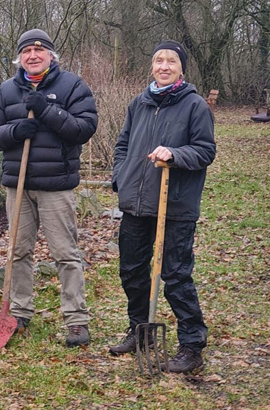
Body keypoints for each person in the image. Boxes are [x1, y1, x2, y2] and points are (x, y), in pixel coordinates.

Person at [0, 29, 98, 347]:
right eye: (26, 51)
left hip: (56, 185)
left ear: (50, 55)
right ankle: (19, 312)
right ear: (19, 58)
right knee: (18, 253)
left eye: (39, 50)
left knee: (65, 253)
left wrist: (47, 110)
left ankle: (76, 320)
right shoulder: (7, 91)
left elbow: (85, 128)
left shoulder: (72, 86)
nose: (33, 56)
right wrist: (16, 129)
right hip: (17, 185)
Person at [108, 40, 215, 373]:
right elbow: (122, 145)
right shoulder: (138, 104)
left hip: (175, 205)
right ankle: (140, 331)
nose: (164, 66)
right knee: (132, 272)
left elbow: (205, 150)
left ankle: (192, 344)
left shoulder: (195, 106)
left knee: (176, 275)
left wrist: (175, 154)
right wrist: (120, 177)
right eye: (158, 61)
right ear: (152, 66)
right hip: (137, 203)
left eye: (171, 61)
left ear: (182, 68)